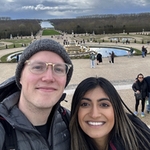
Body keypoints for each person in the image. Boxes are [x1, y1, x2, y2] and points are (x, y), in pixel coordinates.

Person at [0, 39, 73, 149]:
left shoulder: (71, 121)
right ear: (20, 77)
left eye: (58, 69)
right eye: (37, 67)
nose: (48, 78)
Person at [70, 77, 150, 150]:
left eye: (104, 105)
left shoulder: (143, 143)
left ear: (116, 109)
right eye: (85, 104)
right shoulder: (65, 141)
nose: (94, 115)